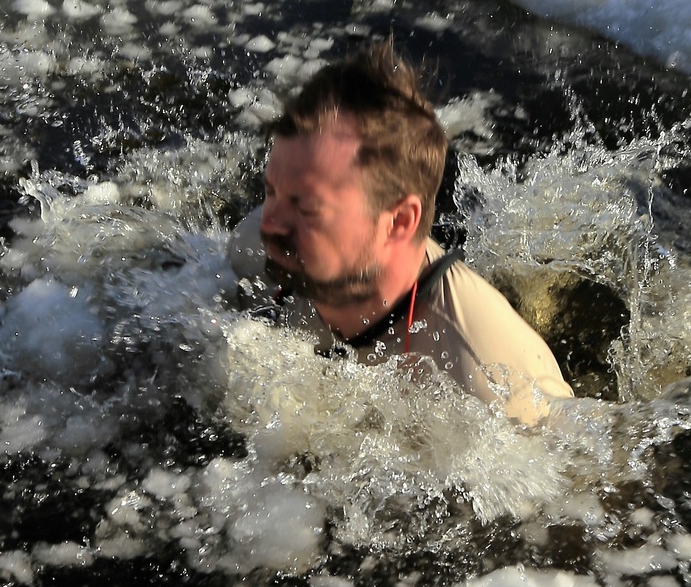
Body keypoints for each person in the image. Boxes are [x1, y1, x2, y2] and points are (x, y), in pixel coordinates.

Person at [227, 40, 573, 425]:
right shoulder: (255, 250)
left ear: (399, 221)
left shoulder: (496, 388)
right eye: (271, 190)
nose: (271, 223)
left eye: (307, 206)